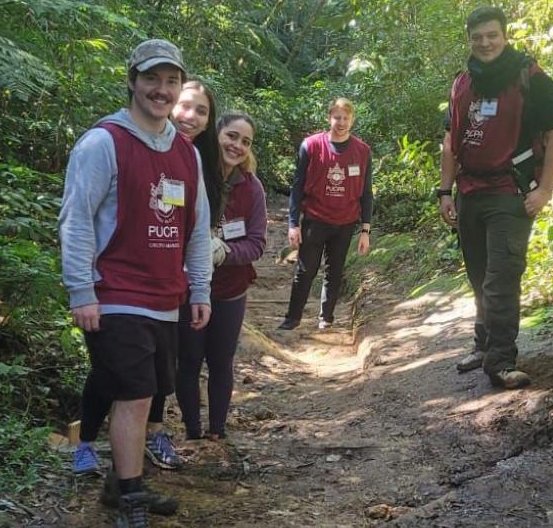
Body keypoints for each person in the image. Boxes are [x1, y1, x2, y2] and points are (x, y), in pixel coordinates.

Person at [59, 39, 212, 526]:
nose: (161, 90)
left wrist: (201, 289)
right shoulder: (103, 142)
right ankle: (129, 494)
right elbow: (77, 220)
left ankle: (118, 483)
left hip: (166, 296)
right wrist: (81, 290)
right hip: (114, 292)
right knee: (136, 394)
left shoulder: (186, 155)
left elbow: (196, 226)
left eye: (171, 82)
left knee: (147, 393)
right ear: (132, 80)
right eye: (152, 79)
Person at [439, 6, 553, 389]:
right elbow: (450, 142)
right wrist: (445, 191)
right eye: (477, 37)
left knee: (501, 278)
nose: (485, 43)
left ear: (505, 35)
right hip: (469, 192)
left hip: (509, 193)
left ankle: (501, 360)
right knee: (479, 276)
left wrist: (545, 189)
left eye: (492, 35)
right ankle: (483, 345)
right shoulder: (462, 82)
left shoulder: (531, 78)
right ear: (469, 39)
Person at [177, 112, 267, 441]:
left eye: (245, 141)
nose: (237, 145)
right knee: (188, 360)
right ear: (216, 136)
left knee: (221, 360)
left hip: (230, 290)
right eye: (231, 136)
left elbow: (257, 243)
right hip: (187, 289)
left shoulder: (251, 187)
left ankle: (217, 430)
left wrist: (226, 253)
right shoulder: (193, 174)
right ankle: (192, 431)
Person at [278, 98, 373, 331]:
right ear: (329, 117)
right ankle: (293, 319)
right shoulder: (311, 146)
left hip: (346, 222)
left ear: (352, 120)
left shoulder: (362, 151)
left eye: (346, 118)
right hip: (315, 219)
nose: (341, 122)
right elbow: (298, 186)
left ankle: (326, 318)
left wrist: (365, 230)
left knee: (335, 271)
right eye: (337, 117)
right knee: (306, 269)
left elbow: (367, 193)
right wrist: (293, 223)